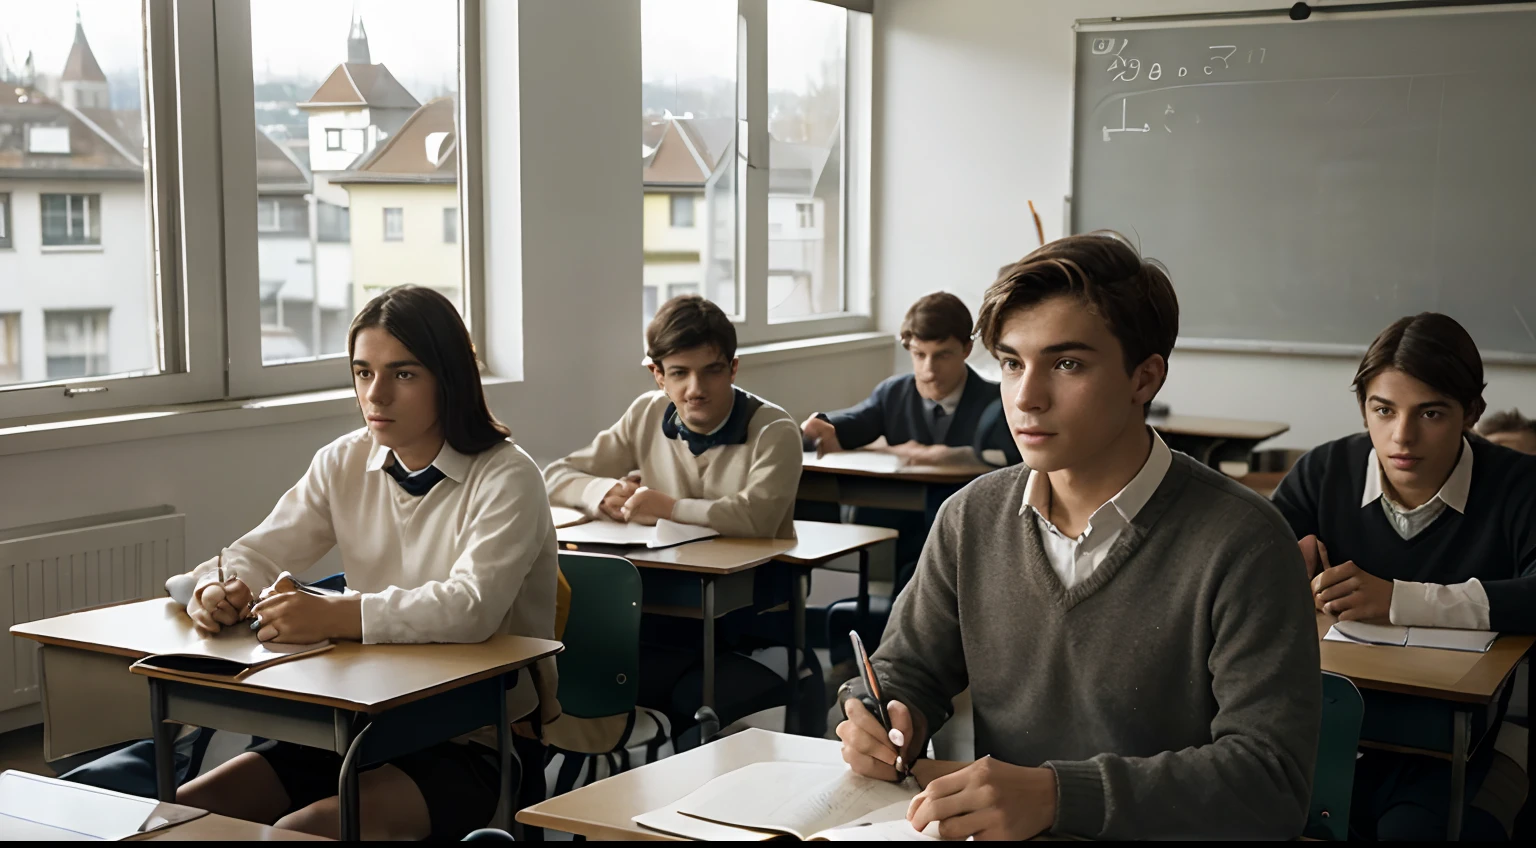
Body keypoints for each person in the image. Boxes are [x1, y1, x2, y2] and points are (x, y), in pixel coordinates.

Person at [835, 232, 1320, 840]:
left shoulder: (1245, 542)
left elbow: (1270, 782)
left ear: (1144, 378)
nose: (1026, 397)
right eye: (1011, 363)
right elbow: (904, 670)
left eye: (1067, 364)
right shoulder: (971, 518)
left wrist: (1059, 796)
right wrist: (880, 716)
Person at [175, 285, 561, 841]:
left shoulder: (508, 476)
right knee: (189, 810)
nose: (375, 395)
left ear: (448, 378)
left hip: (476, 739)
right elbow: (258, 550)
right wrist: (221, 587)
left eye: (403, 375)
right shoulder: (342, 460)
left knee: (303, 831)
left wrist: (333, 614)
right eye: (362, 372)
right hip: (362, 721)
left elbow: (471, 608)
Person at [1271, 312, 1536, 840]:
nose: (1402, 436)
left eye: (1430, 413)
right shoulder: (1323, 471)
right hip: (1334, 721)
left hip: (1464, 735)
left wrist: (1398, 600)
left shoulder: (1518, 484)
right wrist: (1278, 570)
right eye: (1382, 410)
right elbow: (1249, 564)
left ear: (1471, 413)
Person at [544, 294, 801, 539]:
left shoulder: (775, 431)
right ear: (658, 376)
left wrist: (670, 509)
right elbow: (554, 477)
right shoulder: (647, 413)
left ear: (732, 369)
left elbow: (759, 518)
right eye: (679, 373)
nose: (696, 389)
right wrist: (603, 492)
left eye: (712, 371)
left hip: (753, 578)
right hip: (666, 572)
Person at [800, 292, 1020, 468]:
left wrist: (935, 455)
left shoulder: (999, 402)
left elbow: (1010, 457)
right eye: (919, 355)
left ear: (966, 349)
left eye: (943, 355)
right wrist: (824, 426)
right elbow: (857, 421)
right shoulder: (893, 393)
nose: (929, 370)